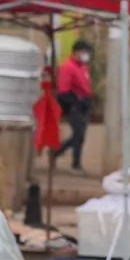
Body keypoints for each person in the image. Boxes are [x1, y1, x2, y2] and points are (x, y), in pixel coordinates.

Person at [54, 40, 93, 174]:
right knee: (78, 135)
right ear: (77, 52)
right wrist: (76, 102)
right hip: (74, 106)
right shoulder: (67, 67)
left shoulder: (83, 67)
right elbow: (63, 91)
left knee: (80, 136)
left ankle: (57, 151)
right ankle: (75, 164)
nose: (87, 55)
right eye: (85, 52)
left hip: (84, 105)